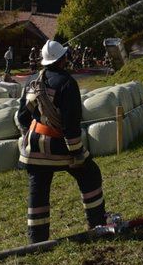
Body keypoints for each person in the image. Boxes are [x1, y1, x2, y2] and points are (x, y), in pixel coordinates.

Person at [17, 40, 106, 243]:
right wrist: (76, 153)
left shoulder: (32, 80)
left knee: (38, 190)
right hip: (59, 146)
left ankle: (37, 240)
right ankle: (97, 223)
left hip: (33, 148)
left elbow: (22, 117)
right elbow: (70, 125)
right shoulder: (67, 83)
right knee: (90, 173)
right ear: (62, 59)